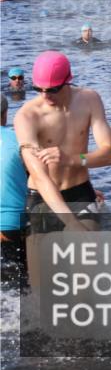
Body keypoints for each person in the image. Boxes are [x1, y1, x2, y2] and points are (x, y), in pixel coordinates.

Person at [13, 51, 111, 287]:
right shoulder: (27, 116)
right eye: (39, 89)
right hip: (41, 200)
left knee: (84, 287)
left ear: (68, 81)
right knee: (42, 296)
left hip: (80, 192)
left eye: (52, 89)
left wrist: (72, 159)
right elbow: (40, 178)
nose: (45, 95)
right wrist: (70, 223)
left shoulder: (89, 100)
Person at [1, 95, 28, 289]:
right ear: (5, 114)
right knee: (23, 283)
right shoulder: (18, 140)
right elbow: (43, 178)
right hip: (13, 223)